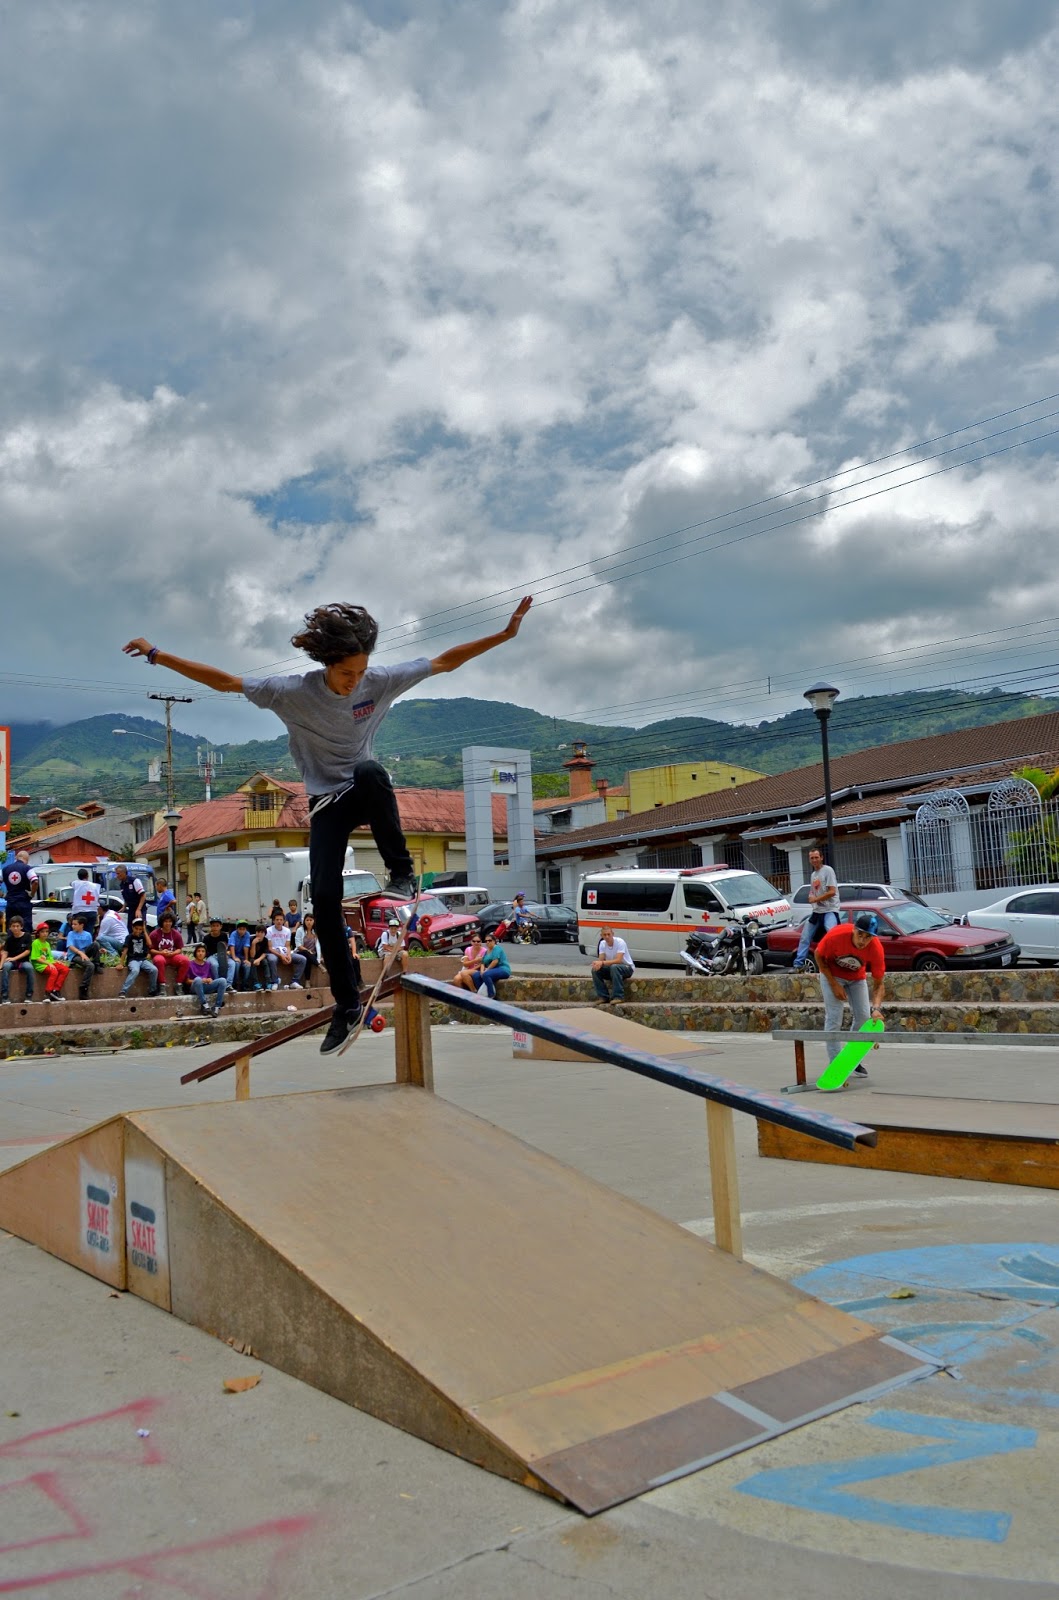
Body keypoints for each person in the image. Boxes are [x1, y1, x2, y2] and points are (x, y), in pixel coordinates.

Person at [124, 592, 532, 1054]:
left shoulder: (380, 680)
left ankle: (402, 874)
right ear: (326, 665)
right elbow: (224, 681)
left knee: (371, 771)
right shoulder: (292, 691)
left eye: (360, 673)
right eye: (345, 674)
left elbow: (444, 661)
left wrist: (504, 634)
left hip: (362, 791)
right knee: (323, 900)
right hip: (325, 807)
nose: (354, 683)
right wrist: (157, 655)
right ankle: (347, 1003)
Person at [814, 911, 886, 1069]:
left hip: (856, 978)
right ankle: (836, 1064)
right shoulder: (836, 935)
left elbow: (879, 984)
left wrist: (876, 1009)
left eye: (868, 937)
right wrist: (834, 984)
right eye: (860, 935)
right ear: (854, 929)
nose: (862, 941)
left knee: (864, 1017)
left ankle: (850, 1056)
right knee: (834, 1017)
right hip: (832, 974)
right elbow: (818, 955)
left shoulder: (876, 949)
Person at [793, 848, 841, 970]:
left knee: (832, 935)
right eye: (812, 858)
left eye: (816, 857)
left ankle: (836, 962)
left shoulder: (828, 870)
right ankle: (798, 965)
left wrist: (816, 899)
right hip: (817, 911)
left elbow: (832, 891)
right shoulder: (813, 875)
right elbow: (813, 891)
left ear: (821, 858)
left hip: (830, 910)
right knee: (805, 937)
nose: (814, 860)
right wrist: (811, 897)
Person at [592, 924, 635, 1003]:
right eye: (605, 935)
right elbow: (601, 960)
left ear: (612, 934)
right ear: (601, 936)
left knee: (615, 967)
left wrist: (602, 962)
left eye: (609, 934)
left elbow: (618, 960)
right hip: (612, 968)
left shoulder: (620, 942)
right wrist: (597, 964)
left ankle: (618, 996)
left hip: (627, 968)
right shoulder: (602, 944)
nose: (607, 937)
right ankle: (603, 997)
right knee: (595, 970)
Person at [265, 910, 306, 989]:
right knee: (272, 960)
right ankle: (275, 981)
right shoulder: (268, 930)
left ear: (284, 921)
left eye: (281, 920)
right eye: (277, 920)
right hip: (273, 952)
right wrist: (281, 956)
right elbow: (269, 948)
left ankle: (294, 981)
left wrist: (289, 955)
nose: (279, 921)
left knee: (302, 959)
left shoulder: (287, 931)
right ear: (273, 921)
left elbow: (287, 945)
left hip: (284, 951)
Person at [64, 913, 102, 999]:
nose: (73, 926)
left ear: (81, 925)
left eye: (75, 924)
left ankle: (97, 964)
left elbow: (90, 947)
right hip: (74, 955)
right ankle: (83, 988)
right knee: (90, 966)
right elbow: (70, 946)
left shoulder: (87, 934)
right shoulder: (71, 934)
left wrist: (99, 951)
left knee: (96, 944)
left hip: (84, 953)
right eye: (72, 924)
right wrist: (80, 953)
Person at [149, 912, 190, 991]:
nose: (168, 923)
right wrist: (161, 952)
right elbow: (150, 950)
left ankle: (179, 984)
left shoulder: (176, 934)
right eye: (166, 921)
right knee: (159, 960)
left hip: (173, 955)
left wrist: (173, 953)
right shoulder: (154, 934)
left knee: (185, 960)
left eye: (170, 921)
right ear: (162, 922)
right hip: (160, 955)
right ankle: (162, 986)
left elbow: (179, 948)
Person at [119, 917, 160, 996]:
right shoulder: (129, 937)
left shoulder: (143, 936)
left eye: (140, 929)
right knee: (135, 970)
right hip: (133, 960)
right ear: (132, 927)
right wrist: (121, 963)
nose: (138, 931)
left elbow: (150, 944)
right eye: (136, 929)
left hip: (143, 959)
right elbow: (125, 951)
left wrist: (144, 931)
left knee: (154, 970)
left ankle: (152, 990)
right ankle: (123, 990)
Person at [30, 924, 70, 1002]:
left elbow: (50, 957)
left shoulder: (47, 944)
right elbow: (36, 958)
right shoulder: (35, 943)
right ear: (38, 933)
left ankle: (55, 990)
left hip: (49, 963)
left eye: (46, 932)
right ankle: (47, 993)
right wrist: (48, 963)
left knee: (65, 969)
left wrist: (56, 961)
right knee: (54, 971)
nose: (45, 934)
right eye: (42, 932)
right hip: (40, 965)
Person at [0, 914, 35, 1001]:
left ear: (21, 927)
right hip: (11, 962)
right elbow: (5, 952)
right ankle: (4, 995)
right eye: (13, 926)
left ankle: (29, 994)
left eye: (17, 926)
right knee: (6, 967)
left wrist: (14, 958)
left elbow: (27, 951)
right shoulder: (9, 939)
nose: (15, 928)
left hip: (23, 961)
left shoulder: (27, 936)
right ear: (10, 927)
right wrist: (1, 965)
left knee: (29, 968)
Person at [2, 851, 38, 932]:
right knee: (25, 927)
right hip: (23, 901)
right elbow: (35, 881)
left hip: (11, 902)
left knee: (11, 926)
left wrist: (2, 894)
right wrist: (32, 894)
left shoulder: (5, 869)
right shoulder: (27, 868)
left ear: (16, 857)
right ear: (27, 859)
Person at [188, 944, 228, 1016]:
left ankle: (217, 1007)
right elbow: (187, 980)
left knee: (223, 980)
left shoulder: (208, 964)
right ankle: (205, 1005)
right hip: (195, 986)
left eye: (203, 951)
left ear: (205, 953)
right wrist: (200, 981)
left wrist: (209, 979)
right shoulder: (190, 964)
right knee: (198, 979)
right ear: (195, 953)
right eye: (198, 951)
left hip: (206, 986)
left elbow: (210, 978)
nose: (200, 953)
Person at [473, 933, 510, 1000]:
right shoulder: (486, 951)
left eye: (489, 940)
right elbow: (483, 962)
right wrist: (481, 971)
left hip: (502, 969)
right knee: (476, 975)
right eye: (486, 941)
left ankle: (491, 995)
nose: (487, 942)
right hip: (492, 970)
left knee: (486, 975)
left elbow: (495, 961)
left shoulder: (497, 948)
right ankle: (482, 993)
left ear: (494, 941)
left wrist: (487, 970)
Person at [202, 917, 237, 985]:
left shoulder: (224, 935)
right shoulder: (206, 938)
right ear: (211, 926)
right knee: (215, 965)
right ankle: (217, 983)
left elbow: (226, 946)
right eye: (213, 926)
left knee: (232, 964)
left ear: (221, 926)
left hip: (222, 955)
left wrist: (227, 952)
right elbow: (205, 951)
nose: (215, 928)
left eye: (217, 926)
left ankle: (228, 984)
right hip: (211, 956)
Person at [69, 868, 101, 936]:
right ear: (87, 876)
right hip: (92, 911)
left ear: (78, 876)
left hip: (79, 911)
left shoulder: (76, 883)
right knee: (89, 932)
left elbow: (70, 883)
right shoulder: (95, 886)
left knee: (78, 931)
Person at [295, 913, 321, 982]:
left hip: (313, 953)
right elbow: (298, 945)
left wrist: (319, 956)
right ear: (304, 921)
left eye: (311, 920)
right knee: (306, 955)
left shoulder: (316, 931)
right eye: (307, 920)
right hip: (302, 951)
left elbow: (318, 945)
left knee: (308, 958)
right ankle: (318, 965)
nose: (309, 922)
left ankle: (307, 981)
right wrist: (307, 950)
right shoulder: (300, 930)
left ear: (314, 921)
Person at [229, 918, 254, 990]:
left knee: (247, 966)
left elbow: (246, 947)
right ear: (237, 929)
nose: (242, 931)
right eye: (240, 929)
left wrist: (246, 959)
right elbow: (232, 946)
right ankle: (235, 983)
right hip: (234, 955)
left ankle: (245, 984)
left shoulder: (247, 934)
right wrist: (234, 957)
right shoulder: (233, 934)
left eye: (244, 929)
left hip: (242, 956)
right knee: (236, 964)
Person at [246, 925, 273, 990]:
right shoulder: (251, 939)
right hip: (252, 958)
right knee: (252, 962)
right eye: (258, 932)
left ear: (264, 934)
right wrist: (253, 944)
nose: (259, 934)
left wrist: (259, 960)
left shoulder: (265, 940)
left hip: (260, 957)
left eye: (262, 932)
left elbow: (265, 953)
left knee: (265, 962)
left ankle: (268, 982)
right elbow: (252, 955)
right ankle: (256, 983)